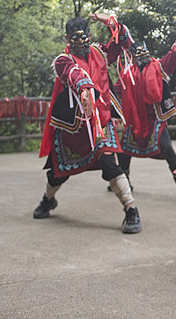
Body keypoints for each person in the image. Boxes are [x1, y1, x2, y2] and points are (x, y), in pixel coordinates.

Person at [33, 13, 142, 234]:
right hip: (75, 127)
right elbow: (73, 73)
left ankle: (131, 211)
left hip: (101, 122)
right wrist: (84, 87)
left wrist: (111, 21)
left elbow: (124, 42)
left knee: (111, 165)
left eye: (84, 38)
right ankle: (48, 200)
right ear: (67, 38)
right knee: (57, 172)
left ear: (89, 36)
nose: (80, 44)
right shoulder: (63, 60)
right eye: (75, 39)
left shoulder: (100, 52)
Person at [116, 26, 176, 205]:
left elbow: (174, 52)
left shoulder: (159, 67)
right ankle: (125, 183)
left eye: (143, 52)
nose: (141, 56)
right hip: (134, 120)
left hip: (154, 120)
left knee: (168, 150)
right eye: (137, 53)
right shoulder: (127, 73)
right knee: (123, 152)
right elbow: (115, 91)